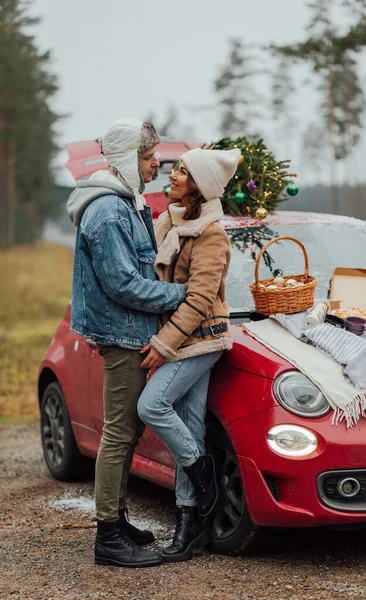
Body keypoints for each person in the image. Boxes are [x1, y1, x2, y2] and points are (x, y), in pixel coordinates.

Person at [66, 118, 187, 569]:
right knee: (118, 434)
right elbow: (124, 284)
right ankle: (108, 537)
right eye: (146, 156)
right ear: (124, 160)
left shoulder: (126, 202)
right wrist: (183, 294)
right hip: (123, 335)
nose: (156, 162)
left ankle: (118, 519)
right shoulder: (110, 212)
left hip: (130, 331)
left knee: (127, 430)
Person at [137, 146, 241, 562]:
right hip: (182, 338)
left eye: (182, 171)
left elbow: (199, 299)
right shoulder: (170, 222)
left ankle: (204, 476)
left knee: (152, 405)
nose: (172, 175)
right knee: (191, 423)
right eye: (176, 169)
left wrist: (163, 346)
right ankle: (190, 521)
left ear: (199, 186)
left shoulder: (211, 235)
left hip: (203, 341)